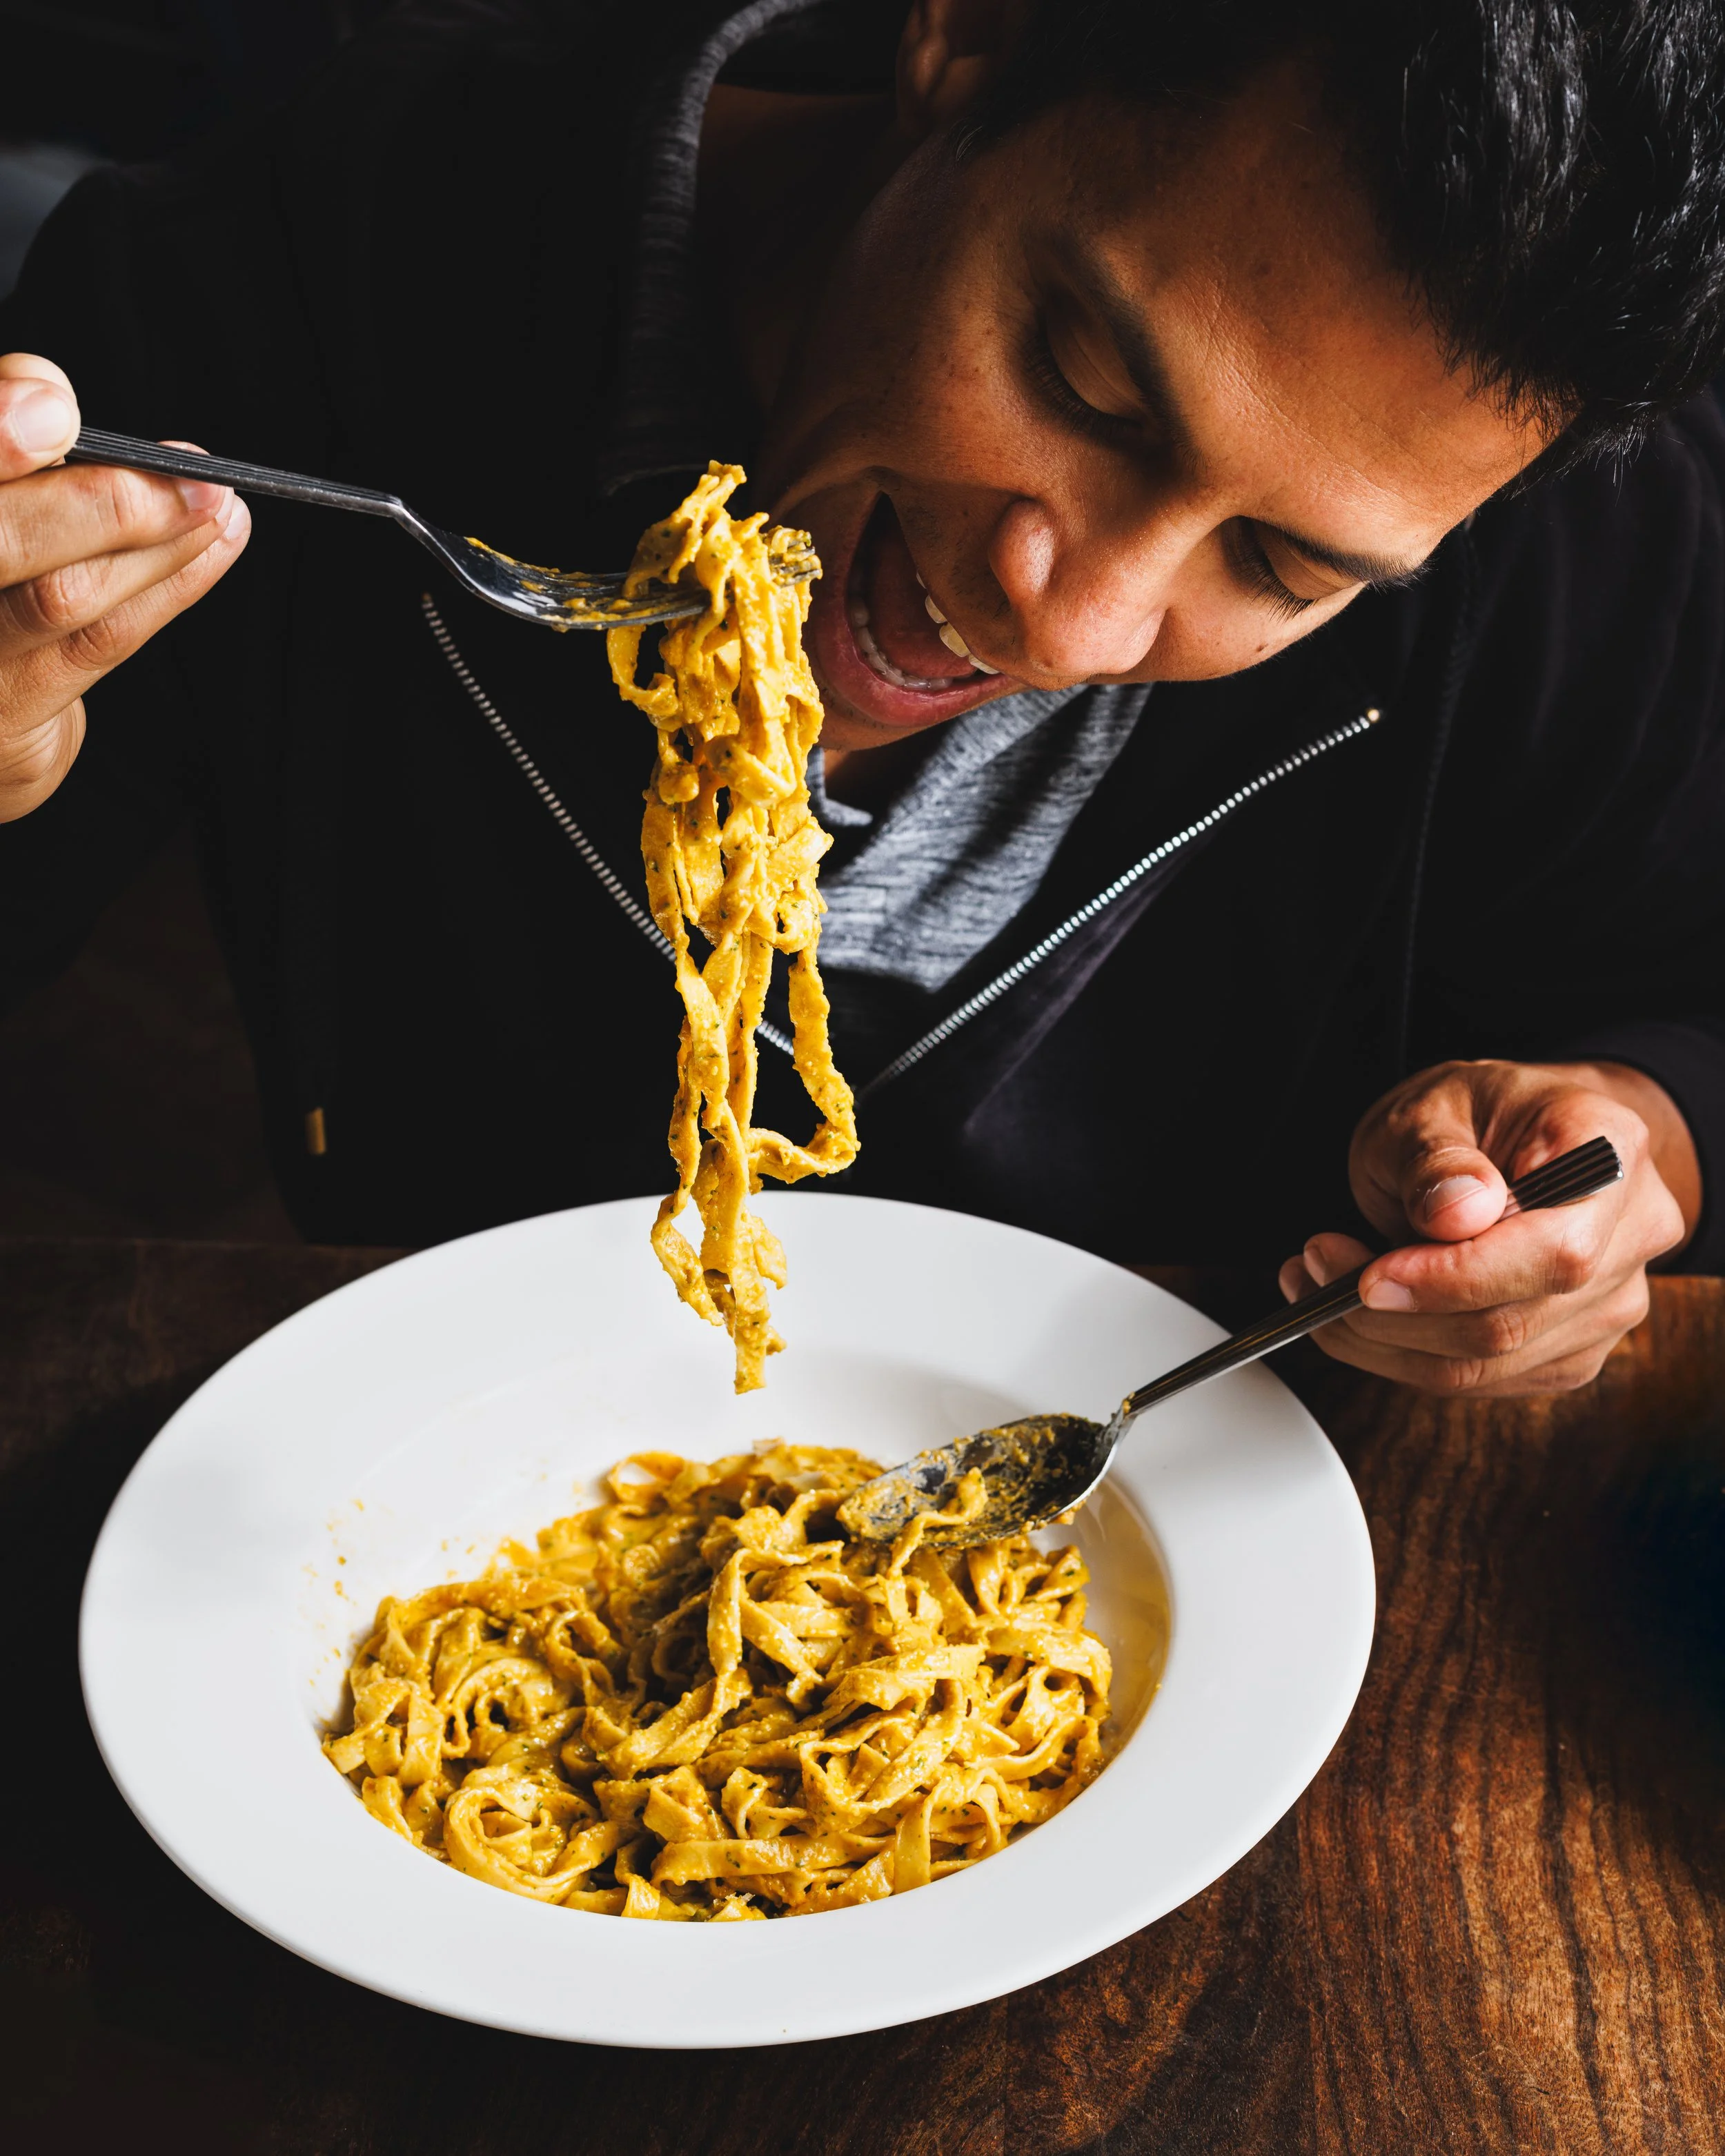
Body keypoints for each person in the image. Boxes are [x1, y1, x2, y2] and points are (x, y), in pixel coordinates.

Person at [0, 0, 1720, 1399]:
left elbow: (1673, 1000)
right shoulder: (291, 280)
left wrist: (1622, 1141)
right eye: (1091, 384)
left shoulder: (1563, 523)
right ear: (968, 38)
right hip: (437, 1426)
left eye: (1277, 566)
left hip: (1182, 1509)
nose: (1074, 618)